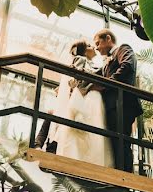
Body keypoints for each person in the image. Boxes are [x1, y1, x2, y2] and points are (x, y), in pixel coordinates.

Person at [46, 39, 113, 167]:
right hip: (84, 99)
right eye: (89, 46)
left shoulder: (90, 62)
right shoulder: (81, 59)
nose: (93, 47)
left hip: (87, 98)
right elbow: (77, 81)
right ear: (83, 50)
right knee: (84, 130)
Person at [92, 28, 143, 173]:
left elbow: (127, 66)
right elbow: (97, 74)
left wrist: (104, 85)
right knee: (113, 141)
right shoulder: (107, 62)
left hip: (123, 104)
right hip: (111, 106)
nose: (96, 48)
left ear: (108, 38)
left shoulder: (123, 49)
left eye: (98, 43)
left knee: (122, 141)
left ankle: (125, 176)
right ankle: (117, 173)